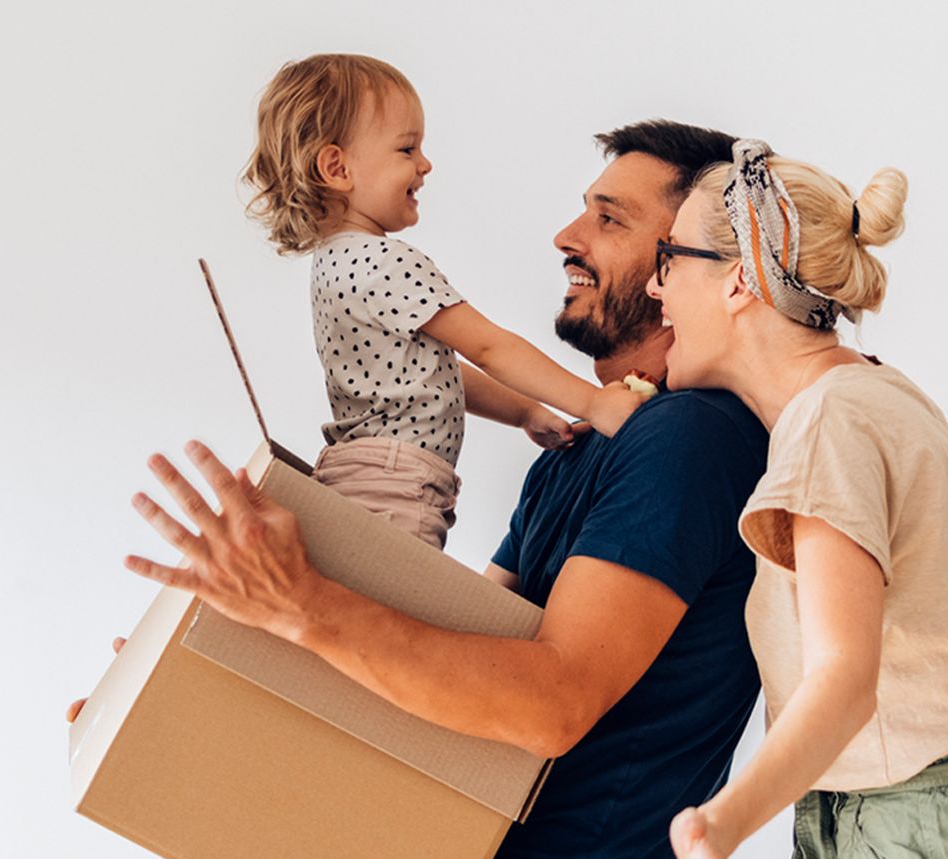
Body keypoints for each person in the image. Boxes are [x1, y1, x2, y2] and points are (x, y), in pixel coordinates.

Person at [117, 120, 768, 859]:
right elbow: (448, 669)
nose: (568, 236)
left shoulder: (692, 436)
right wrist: (216, 666)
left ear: (700, 264)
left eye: (609, 218)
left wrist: (297, 603)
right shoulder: (577, 449)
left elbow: (549, 705)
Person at [648, 140, 948, 859]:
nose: (653, 286)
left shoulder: (831, 421)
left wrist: (715, 827)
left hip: (944, 838)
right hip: (947, 824)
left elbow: (844, 678)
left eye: (668, 259)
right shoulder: (865, 397)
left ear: (737, 281)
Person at [241, 54, 647, 548]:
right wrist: (594, 403)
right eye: (407, 148)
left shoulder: (334, 263)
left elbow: (433, 372)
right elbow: (488, 347)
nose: (425, 164)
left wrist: (524, 412)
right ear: (337, 168)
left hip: (358, 476)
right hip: (396, 486)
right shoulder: (386, 262)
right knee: (396, 610)